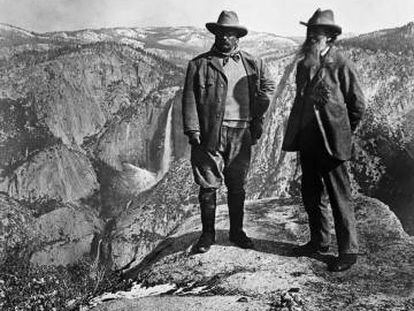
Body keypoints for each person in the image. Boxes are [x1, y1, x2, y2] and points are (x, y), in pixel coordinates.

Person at [182, 10, 275, 254]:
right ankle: (207, 235)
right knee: (208, 184)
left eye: (230, 34)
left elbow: (268, 87)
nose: (225, 38)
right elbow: (189, 98)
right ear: (215, 35)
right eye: (221, 33)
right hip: (210, 133)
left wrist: (260, 109)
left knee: (237, 184)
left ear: (238, 38)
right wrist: (193, 130)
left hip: (241, 132)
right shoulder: (199, 65)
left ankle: (236, 232)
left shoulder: (252, 63)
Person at [282, 9, 366, 272]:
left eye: (316, 33)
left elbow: (358, 105)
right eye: (309, 32)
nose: (310, 37)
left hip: (333, 143)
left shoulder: (341, 63)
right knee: (310, 193)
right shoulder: (304, 64)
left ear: (329, 37)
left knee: (339, 195)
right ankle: (319, 241)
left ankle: (348, 250)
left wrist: (342, 129)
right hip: (308, 141)